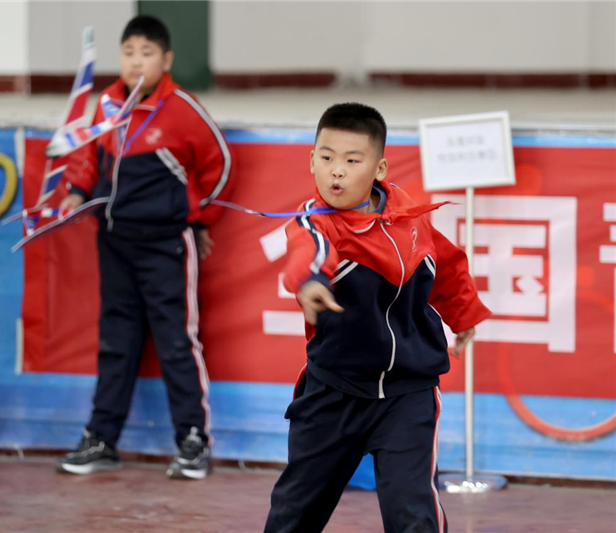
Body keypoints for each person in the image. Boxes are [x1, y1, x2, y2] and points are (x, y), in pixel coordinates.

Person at [264, 103, 491, 532]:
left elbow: (446, 266)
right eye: (326, 157)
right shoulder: (316, 223)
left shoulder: (408, 218)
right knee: (293, 516)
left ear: (379, 166)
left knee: (414, 515)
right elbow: (307, 251)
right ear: (311, 159)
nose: (336, 171)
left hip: (408, 394)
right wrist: (310, 282)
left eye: (352, 161)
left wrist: (463, 316)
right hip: (333, 393)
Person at [55, 15, 233, 480]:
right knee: (116, 342)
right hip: (113, 241)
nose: (136, 61)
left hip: (166, 246)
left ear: (166, 60)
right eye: (129, 52)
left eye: (147, 53)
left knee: (177, 343)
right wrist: (76, 190)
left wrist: (200, 220)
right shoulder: (107, 103)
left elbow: (222, 165)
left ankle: (193, 441)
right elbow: (86, 157)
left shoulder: (182, 109)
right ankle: (102, 438)